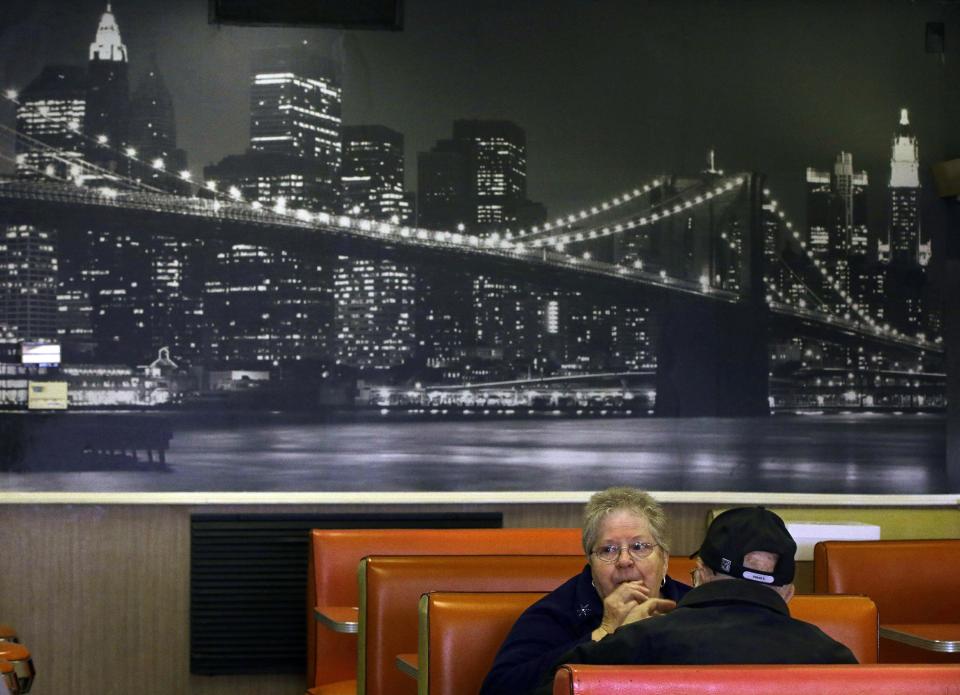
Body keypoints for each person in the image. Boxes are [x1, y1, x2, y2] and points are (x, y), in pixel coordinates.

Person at [533, 506, 857, 694]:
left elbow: (549, 688)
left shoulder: (640, 641)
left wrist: (609, 633)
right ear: (788, 593)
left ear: (700, 573)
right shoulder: (835, 659)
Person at [479, 487, 690, 695]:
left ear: (664, 559)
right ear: (590, 562)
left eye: (639, 546)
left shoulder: (694, 606)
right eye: (608, 549)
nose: (624, 561)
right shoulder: (557, 614)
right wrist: (604, 633)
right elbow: (498, 689)